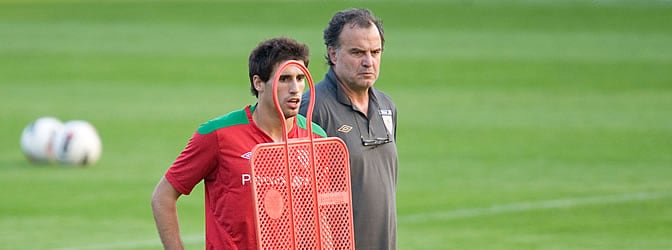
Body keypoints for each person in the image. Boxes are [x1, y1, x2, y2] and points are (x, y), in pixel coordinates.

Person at [151, 37, 326, 250]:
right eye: (284, 79)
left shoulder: (317, 138)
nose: (295, 89)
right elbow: (163, 196)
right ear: (258, 83)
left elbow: (322, 214)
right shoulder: (218, 135)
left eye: (300, 78)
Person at [299, 8, 398, 250]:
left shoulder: (386, 106)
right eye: (357, 52)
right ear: (333, 54)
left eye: (375, 52)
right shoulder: (312, 109)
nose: (368, 62)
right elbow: (297, 197)